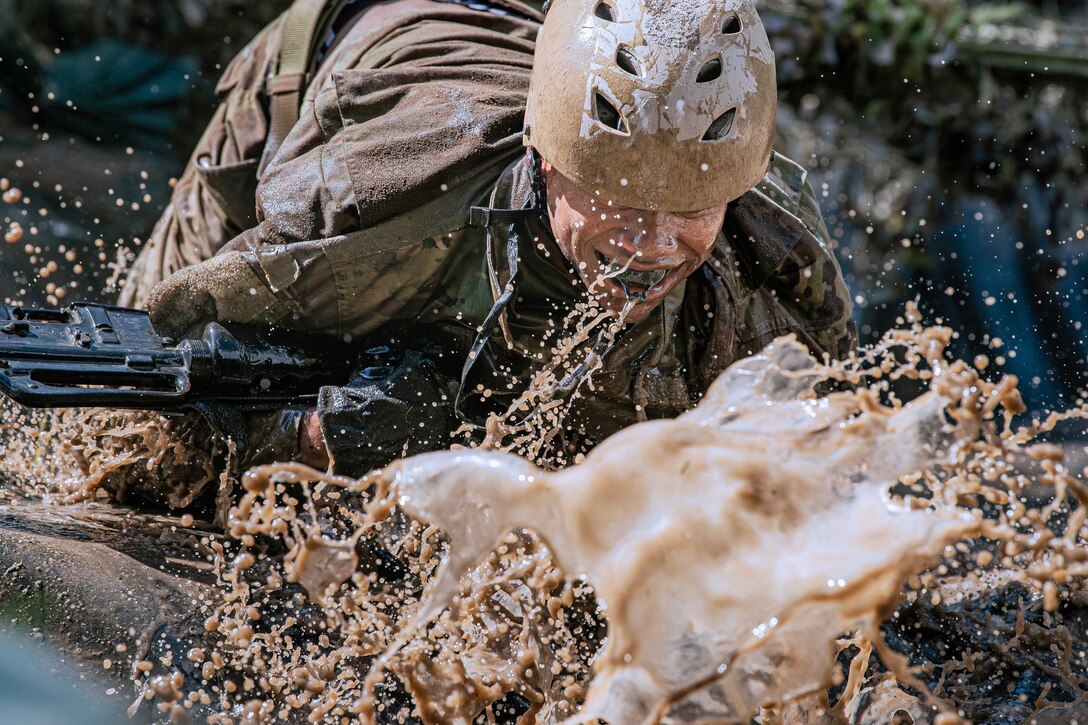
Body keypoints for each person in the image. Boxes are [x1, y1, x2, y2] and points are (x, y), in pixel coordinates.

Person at [124, 0, 857, 477]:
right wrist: (311, 435)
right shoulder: (367, 218)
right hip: (329, 61)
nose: (655, 244)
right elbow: (134, 411)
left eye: (694, 207)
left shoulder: (770, 271)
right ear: (545, 157)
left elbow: (827, 490)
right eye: (622, 199)